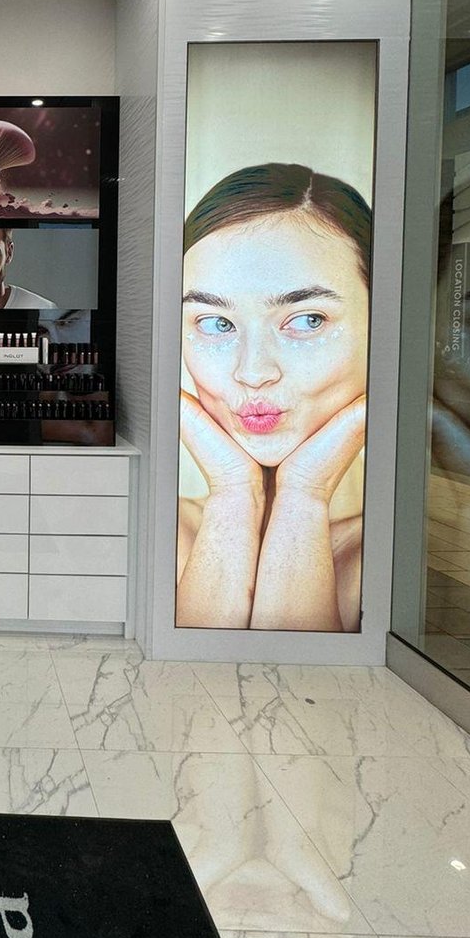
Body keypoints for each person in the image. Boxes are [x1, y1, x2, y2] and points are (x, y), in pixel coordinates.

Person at [177, 163, 369, 633]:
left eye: (307, 320)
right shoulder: (153, 529)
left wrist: (306, 494)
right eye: (216, 324)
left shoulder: (416, 557)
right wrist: (233, 492)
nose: (253, 373)